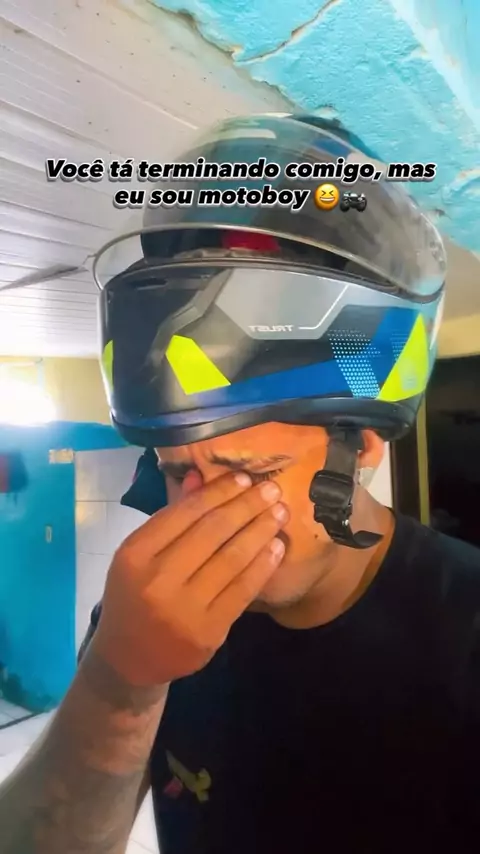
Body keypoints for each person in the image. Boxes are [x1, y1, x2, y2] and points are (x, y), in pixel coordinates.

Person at [1, 113, 479, 854]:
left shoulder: (464, 633)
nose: (199, 513)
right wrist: (119, 685)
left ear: (366, 442)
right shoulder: (146, 614)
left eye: (251, 473)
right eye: (175, 472)